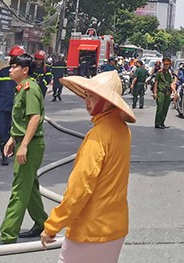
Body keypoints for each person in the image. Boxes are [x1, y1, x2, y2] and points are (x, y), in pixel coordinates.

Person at [40, 69, 135, 261]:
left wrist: (53, 225)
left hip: (90, 229)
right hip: (114, 226)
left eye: (92, 96)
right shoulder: (122, 129)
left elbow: (80, 187)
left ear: (107, 100)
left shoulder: (99, 135)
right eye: (87, 95)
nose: (87, 101)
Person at [0, 52, 48, 245]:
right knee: (29, 185)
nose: (10, 69)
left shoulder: (29, 88)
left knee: (19, 189)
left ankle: (8, 235)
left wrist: (23, 145)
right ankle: (42, 222)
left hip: (30, 144)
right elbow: (22, 119)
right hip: (24, 141)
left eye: (14, 67)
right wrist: (12, 138)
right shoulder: (21, 87)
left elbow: (34, 118)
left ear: (25, 70)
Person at [0, 46, 25, 166]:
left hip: (17, 108)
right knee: (1, 132)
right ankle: (4, 154)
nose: (13, 60)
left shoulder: (25, 73)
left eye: (15, 58)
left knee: (15, 131)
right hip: (2, 107)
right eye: (12, 57)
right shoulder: (3, 72)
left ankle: (14, 150)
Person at [153, 58, 176, 129]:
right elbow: (156, 83)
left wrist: (174, 91)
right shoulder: (159, 73)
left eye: (167, 64)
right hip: (161, 93)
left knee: (165, 109)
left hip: (168, 93)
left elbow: (171, 83)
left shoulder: (169, 74)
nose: (166, 66)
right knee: (160, 108)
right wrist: (155, 93)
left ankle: (162, 123)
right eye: (165, 64)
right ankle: (157, 123)